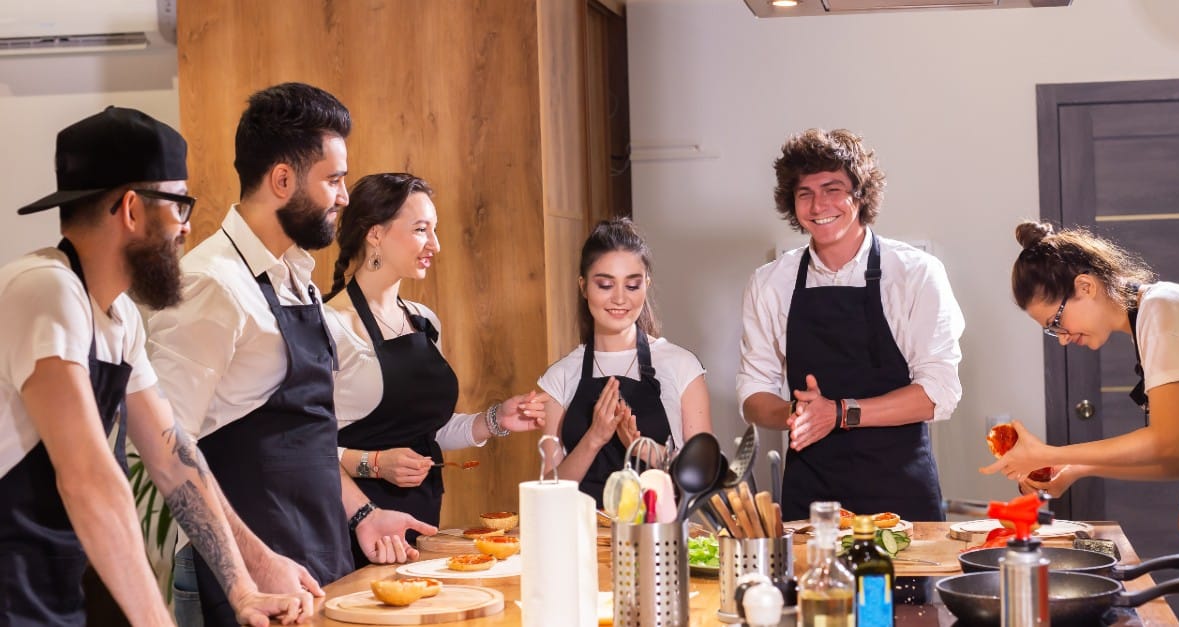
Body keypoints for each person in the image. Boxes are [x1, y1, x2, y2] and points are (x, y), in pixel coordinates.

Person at [0, 107, 314, 625]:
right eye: (179, 204)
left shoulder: (118, 316)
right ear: (130, 208)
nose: (187, 227)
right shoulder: (46, 291)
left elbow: (173, 460)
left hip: (49, 589)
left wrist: (244, 586)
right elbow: (88, 480)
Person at [146, 84, 435, 626]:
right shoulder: (211, 286)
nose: (345, 196)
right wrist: (253, 567)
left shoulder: (296, 277)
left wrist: (363, 514)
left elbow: (308, 434)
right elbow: (165, 457)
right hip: (247, 586)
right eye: (334, 179)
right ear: (283, 180)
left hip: (317, 563)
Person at [737, 128, 965, 522]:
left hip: (900, 497)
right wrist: (797, 414)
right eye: (804, 192)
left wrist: (839, 413)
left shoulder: (916, 273)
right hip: (812, 498)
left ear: (860, 195)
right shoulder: (770, 281)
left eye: (832, 188)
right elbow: (754, 393)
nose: (818, 204)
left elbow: (937, 394)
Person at [323, 172, 547, 566]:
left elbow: (428, 433)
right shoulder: (329, 325)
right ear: (375, 234)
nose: (435, 245)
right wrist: (374, 464)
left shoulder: (423, 321)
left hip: (419, 526)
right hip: (350, 526)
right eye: (421, 229)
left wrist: (496, 420)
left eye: (435, 230)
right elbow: (304, 444)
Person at [979, 221, 1179, 536]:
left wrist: (1050, 454)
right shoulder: (1150, 317)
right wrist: (1077, 469)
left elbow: (1167, 441)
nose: (1062, 338)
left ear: (1086, 287)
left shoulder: (1161, 309)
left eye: (1056, 322)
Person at [537, 217, 712, 503]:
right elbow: (547, 495)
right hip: (586, 538)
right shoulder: (559, 378)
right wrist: (594, 438)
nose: (620, 299)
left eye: (632, 286)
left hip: (660, 538)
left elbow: (704, 476)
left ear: (646, 285)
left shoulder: (682, 366)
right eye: (605, 285)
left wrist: (643, 449)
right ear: (583, 287)